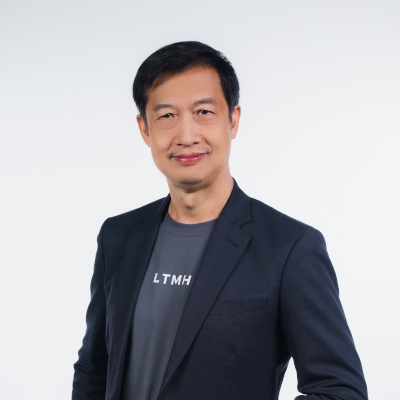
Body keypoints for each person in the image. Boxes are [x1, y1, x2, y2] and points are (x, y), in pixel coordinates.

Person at [72, 41, 368, 400]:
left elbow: (340, 391)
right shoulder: (118, 236)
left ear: (233, 120)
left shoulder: (290, 248)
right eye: (166, 116)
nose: (186, 136)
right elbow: (94, 369)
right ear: (144, 129)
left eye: (203, 112)